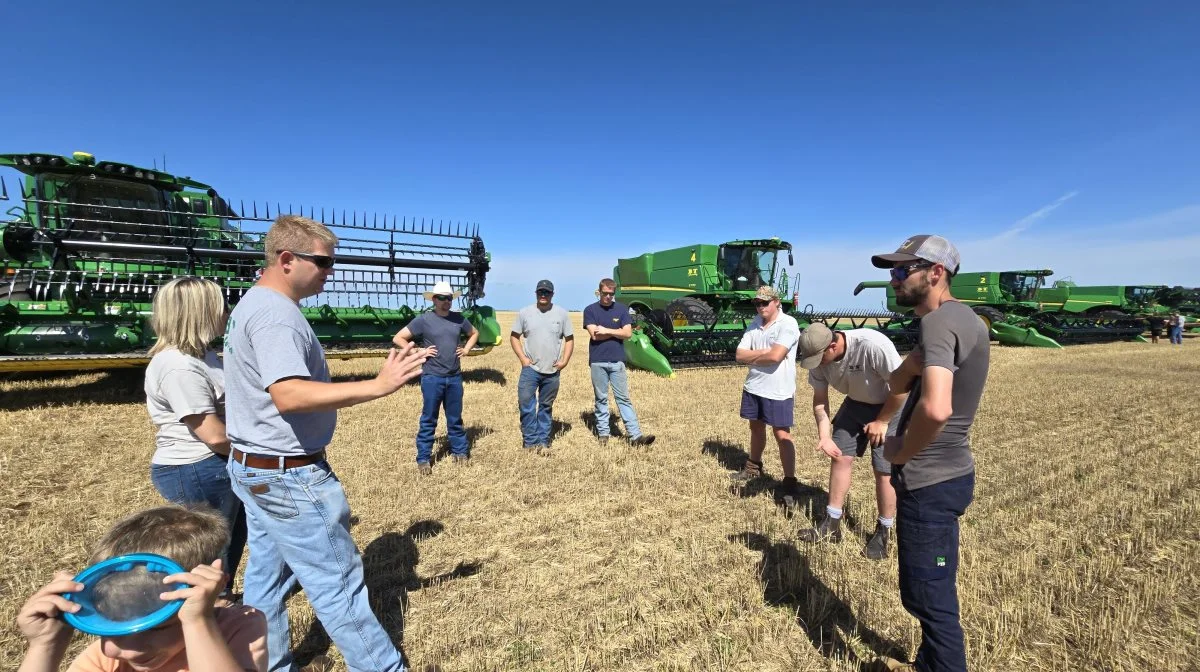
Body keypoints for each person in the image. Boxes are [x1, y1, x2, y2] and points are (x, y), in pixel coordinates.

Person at [223, 214, 431, 672]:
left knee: (266, 581)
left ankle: (270, 663)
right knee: (338, 584)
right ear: (286, 259)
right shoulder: (277, 316)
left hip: (254, 467)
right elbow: (290, 394)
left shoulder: (252, 304)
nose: (330, 271)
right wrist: (378, 386)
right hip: (288, 475)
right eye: (323, 262)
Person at [871, 234, 990, 672]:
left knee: (929, 597)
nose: (894, 280)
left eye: (903, 271)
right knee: (928, 589)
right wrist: (907, 369)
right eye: (892, 272)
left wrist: (901, 451)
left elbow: (937, 407)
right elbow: (902, 379)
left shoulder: (940, 323)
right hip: (946, 477)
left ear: (935, 273)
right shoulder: (961, 321)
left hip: (931, 479)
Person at [16, 504, 268, 672]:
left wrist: (197, 622)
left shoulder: (238, 629)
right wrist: (46, 645)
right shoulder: (107, 660)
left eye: (156, 627)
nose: (116, 648)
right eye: (111, 629)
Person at [144, 276, 247, 593]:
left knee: (226, 545)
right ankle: (213, 610)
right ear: (200, 312)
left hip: (213, 465)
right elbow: (213, 435)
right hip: (199, 467)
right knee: (211, 556)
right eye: (221, 306)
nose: (227, 313)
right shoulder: (179, 367)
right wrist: (261, 453)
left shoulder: (202, 355)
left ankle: (218, 604)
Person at [795, 323, 908, 560]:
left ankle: (884, 531)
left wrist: (883, 421)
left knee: (883, 469)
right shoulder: (818, 359)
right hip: (855, 403)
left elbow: (903, 388)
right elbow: (820, 401)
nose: (817, 364)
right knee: (839, 456)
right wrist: (824, 436)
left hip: (891, 404)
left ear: (833, 345)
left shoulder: (872, 345)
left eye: (820, 358)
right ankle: (832, 524)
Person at [393, 280, 479, 475]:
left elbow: (474, 333)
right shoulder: (423, 320)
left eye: (449, 298)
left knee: (455, 419)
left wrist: (466, 349)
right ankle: (423, 458)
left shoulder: (458, 319)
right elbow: (398, 338)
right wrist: (418, 351)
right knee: (429, 419)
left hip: (454, 377)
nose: (446, 301)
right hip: (432, 377)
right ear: (433, 299)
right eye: (442, 298)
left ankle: (460, 452)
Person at [729, 286, 802, 507]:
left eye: (765, 302)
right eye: (757, 303)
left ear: (776, 302)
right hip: (754, 387)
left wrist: (762, 356)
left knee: (782, 435)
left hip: (778, 390)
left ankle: (789, 481)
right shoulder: (755, 323)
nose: (760, 307)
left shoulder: (788, 324)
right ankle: (753, 467)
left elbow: (777, 356)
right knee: (756, 427)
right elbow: (739, 355)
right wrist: (765, 353)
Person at [582, 278, 655, 447]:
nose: (608, 297)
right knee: (601, 399)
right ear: (598, 292)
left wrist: (606, 330)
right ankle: (603, 434)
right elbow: (595, 335)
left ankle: (636, 436)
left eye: (611, 294)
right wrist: (618, 332)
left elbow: (628, 334)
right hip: (598, 361)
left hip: (618, 361)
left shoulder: (622, 310)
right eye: (605, 294)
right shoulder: (590, 310)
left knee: (623, 399)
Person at [510, 279, 574, 454]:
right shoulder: (525, 313)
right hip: (530, 370)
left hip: (552, 371)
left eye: (546, 292)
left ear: (552, 294)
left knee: (546, 407)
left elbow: (569, 339)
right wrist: (523, 359)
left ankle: (543, 441)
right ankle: (530, 443)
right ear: (536, 293)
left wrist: (565, 361)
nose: (543, 295)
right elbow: (514, 337)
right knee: (526, 405)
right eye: (540, 292)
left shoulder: (562, 314)